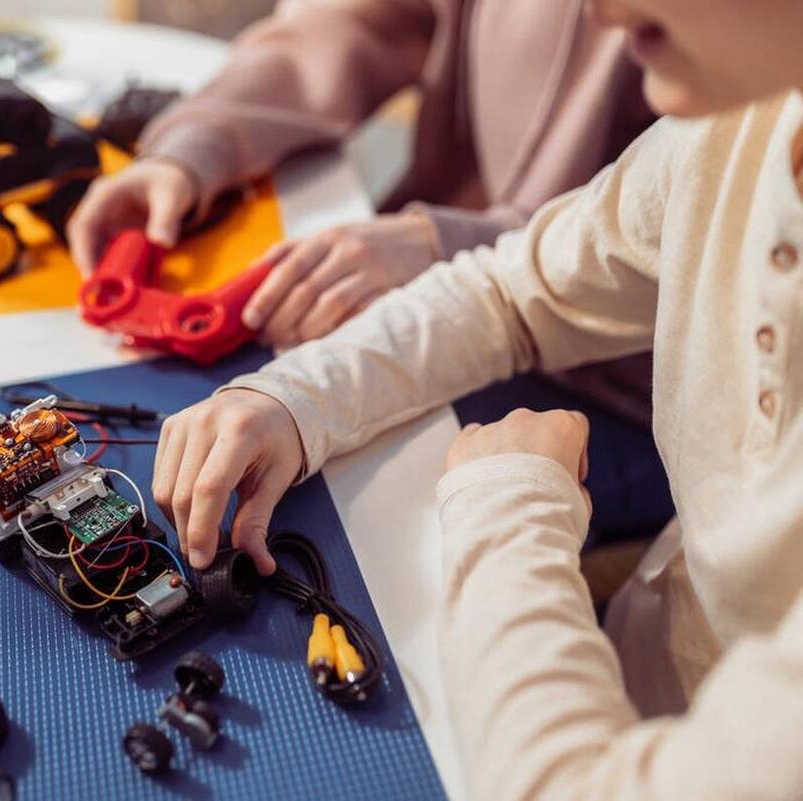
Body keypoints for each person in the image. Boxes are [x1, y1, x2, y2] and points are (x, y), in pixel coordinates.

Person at [150, 0, 803, 795]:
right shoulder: (747, 118)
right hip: (599, 665)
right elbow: (512, 289)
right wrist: (295, 396)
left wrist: (510, 507)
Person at [71, 0, 673, 542]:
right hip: (474, 303)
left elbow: (642, 242)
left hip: (626, 399)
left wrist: (445, 244)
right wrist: (200, 141)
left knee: (371, 531)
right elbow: (360, 17)